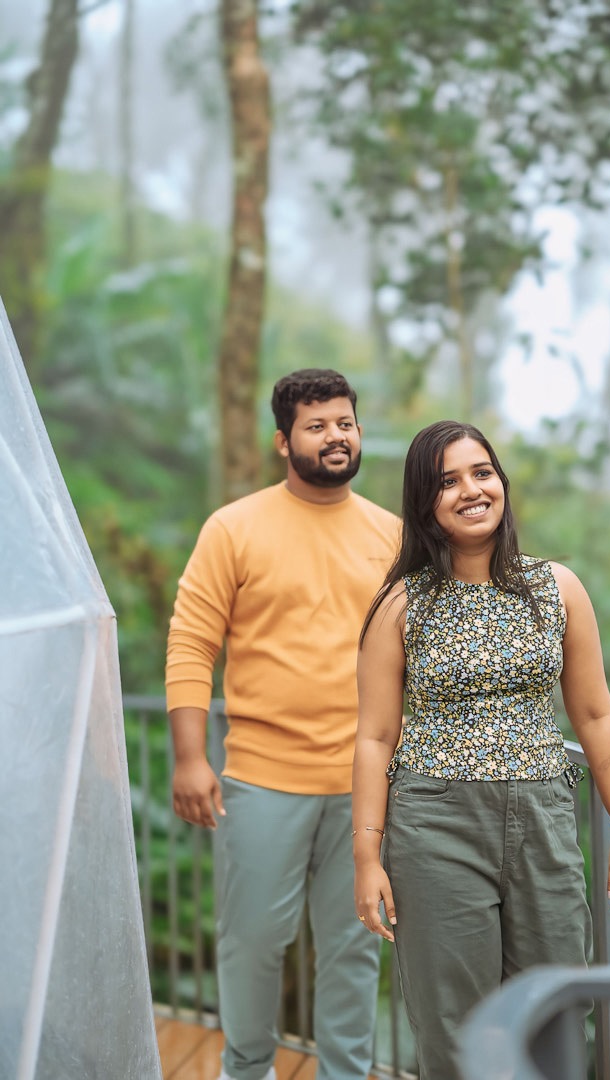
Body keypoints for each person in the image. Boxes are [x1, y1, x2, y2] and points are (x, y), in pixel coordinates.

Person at [352, 420, 610, 1079]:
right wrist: (366, 856)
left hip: (542, 819)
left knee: (559, 1010)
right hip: (434, 825)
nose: (471, 490)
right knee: (456, 1026)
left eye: (482, 472)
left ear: (501, 483)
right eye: (448, 481)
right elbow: (373, 739)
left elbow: (595, 715)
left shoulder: (557, 588)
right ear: (424, 501)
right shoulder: (401, 607)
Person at [166, 369, 400, 1080]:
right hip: (263, 778)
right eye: (317, 425)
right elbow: (191, 641)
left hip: (366, 784)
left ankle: (344, 1075)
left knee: (355, 946)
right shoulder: (234, 527)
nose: (336, 436)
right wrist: (188, 757)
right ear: (282, 441)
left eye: (345, 423)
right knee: (252, 943)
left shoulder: (393, 535)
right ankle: (246, 1069)